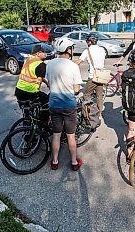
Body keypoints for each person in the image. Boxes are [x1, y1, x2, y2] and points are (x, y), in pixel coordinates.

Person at [45, 38, 83, 171]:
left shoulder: (49, 64)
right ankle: (73, 162)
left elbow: (48, 82)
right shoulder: (73, 66)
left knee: (56, 134)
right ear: (68, 50)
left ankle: (55, 161)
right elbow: (77, 89)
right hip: (68, 105)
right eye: (71, 48)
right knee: (70, 135)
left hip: (54, 104)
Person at [75, 34, 107, 113]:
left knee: (86, 94)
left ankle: (89, 112)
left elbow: (78, 62)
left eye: (87, 41)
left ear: (90, 42)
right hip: (101, 76)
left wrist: (68, 65)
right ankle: (99, 114)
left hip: (93, 76)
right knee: (99, 96)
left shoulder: (87, 51)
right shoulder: (102, 50)